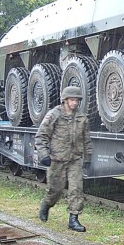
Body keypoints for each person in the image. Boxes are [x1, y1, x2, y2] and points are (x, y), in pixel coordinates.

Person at [35, 86, 92, 232]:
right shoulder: (54, 115)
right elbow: (41, 136)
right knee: (55, 190)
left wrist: (88, 157)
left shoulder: (82, 118)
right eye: (72, 100)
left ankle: (74, 219)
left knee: (76, 189)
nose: (75, 103)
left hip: (74, 159)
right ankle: (46, 205)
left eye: (77, 100)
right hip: (57, 159)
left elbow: (87, 140)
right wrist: (44, 155)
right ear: (65, 100)